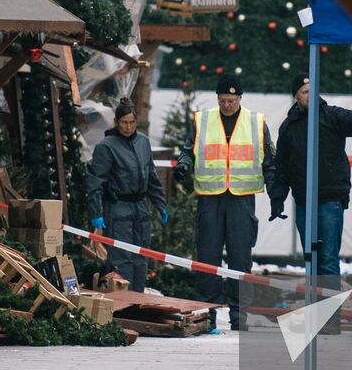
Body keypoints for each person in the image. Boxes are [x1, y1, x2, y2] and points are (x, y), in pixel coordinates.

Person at [269, 74, 352, 330]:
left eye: (312, 90)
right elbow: (281, 168)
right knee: (311, 260)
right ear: (296, 96)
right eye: (303, 91)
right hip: (303, 203)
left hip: (329, 200)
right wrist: (277, 199)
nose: (309, 95)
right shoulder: (289, 127)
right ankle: (316, 315)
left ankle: (330, 321)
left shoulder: (330, 115)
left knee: (328, 260)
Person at [175, 76, 276, 330]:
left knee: (240, 259)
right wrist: (183, 165)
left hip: (241, 199)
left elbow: (269, 161)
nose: (227, 105)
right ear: (217, 98)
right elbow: (189, 149)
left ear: (240, 98)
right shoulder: (203, 120)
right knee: (208, 257)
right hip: (211, 199)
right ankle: (207, 316)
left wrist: (276, 192)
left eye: (232, 100)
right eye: (223, 100)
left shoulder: (256, 122)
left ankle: (238, 317)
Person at [87, 99, 168, 292]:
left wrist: (160, 204)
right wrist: (96, 213)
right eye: (124, 122)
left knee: (141, 256)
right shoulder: (106, 147)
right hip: (118, 207)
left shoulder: (143, 142)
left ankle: (137, 300)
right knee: (121, 258)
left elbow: (151, 177)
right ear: (116, 122)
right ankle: (122, 305)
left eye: (132, 122)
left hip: (140, 207)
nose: (128, 127)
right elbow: (95, 182)